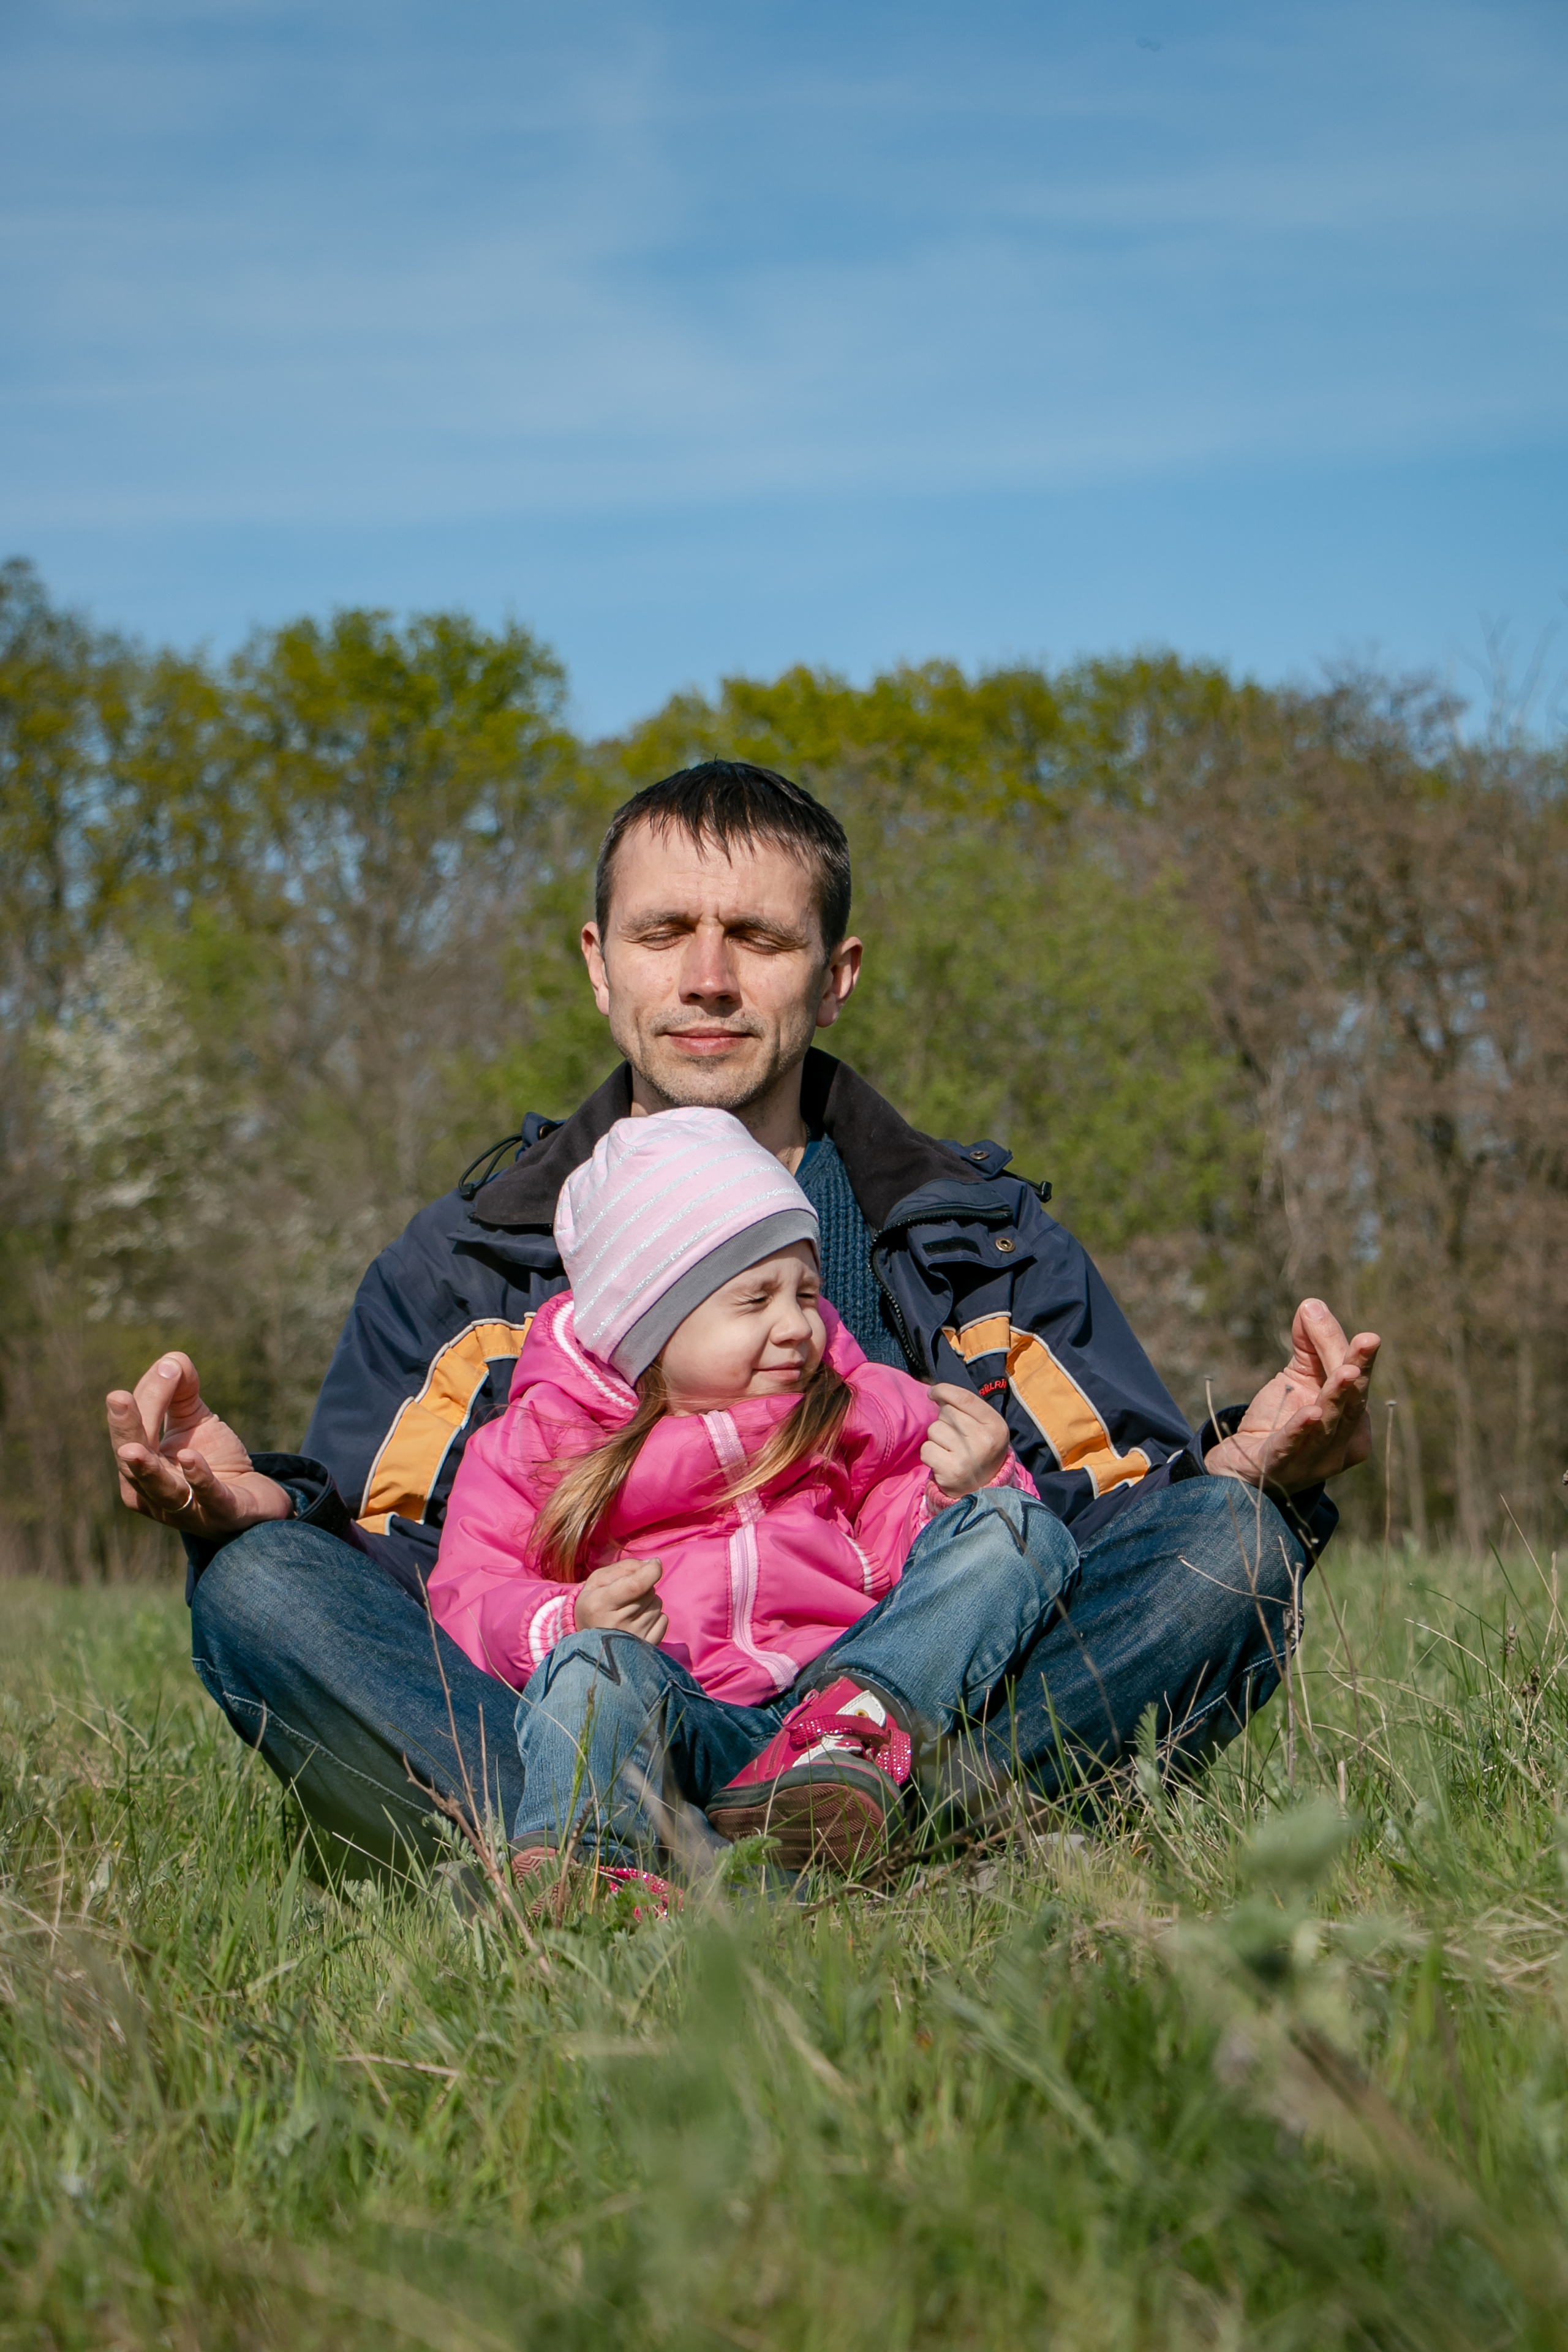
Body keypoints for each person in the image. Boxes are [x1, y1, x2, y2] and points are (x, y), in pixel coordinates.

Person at [106, 760, 1379, 1874]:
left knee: (1231, 1547)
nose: (706, 979)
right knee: (262, 1589)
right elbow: (417, 1573)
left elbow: (1095, 1523)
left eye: (756, 940)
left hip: (917, 1719)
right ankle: (642, 1842)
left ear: (835, 976)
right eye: (664, 933)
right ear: (600, 965)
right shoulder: (468, 1262)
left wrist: (1249, 1465)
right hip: (583, 1713)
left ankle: (822, 1834)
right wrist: (258, 1510)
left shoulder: (978, 1235)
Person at [432, 1103, 1070, 1884]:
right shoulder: (541, 1445)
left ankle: (842, 1747)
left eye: (805, 1294)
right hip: (678, 1717)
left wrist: (967, 1487)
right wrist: (567, 1618)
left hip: (844, 1699)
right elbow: (469, 1594)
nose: (797, 1326)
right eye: (754, 1299)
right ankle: (585, 1871)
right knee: (593, 1666)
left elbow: (917, 1558)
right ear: (650, 1325)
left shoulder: (861, 1404)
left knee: (1016, 1527)